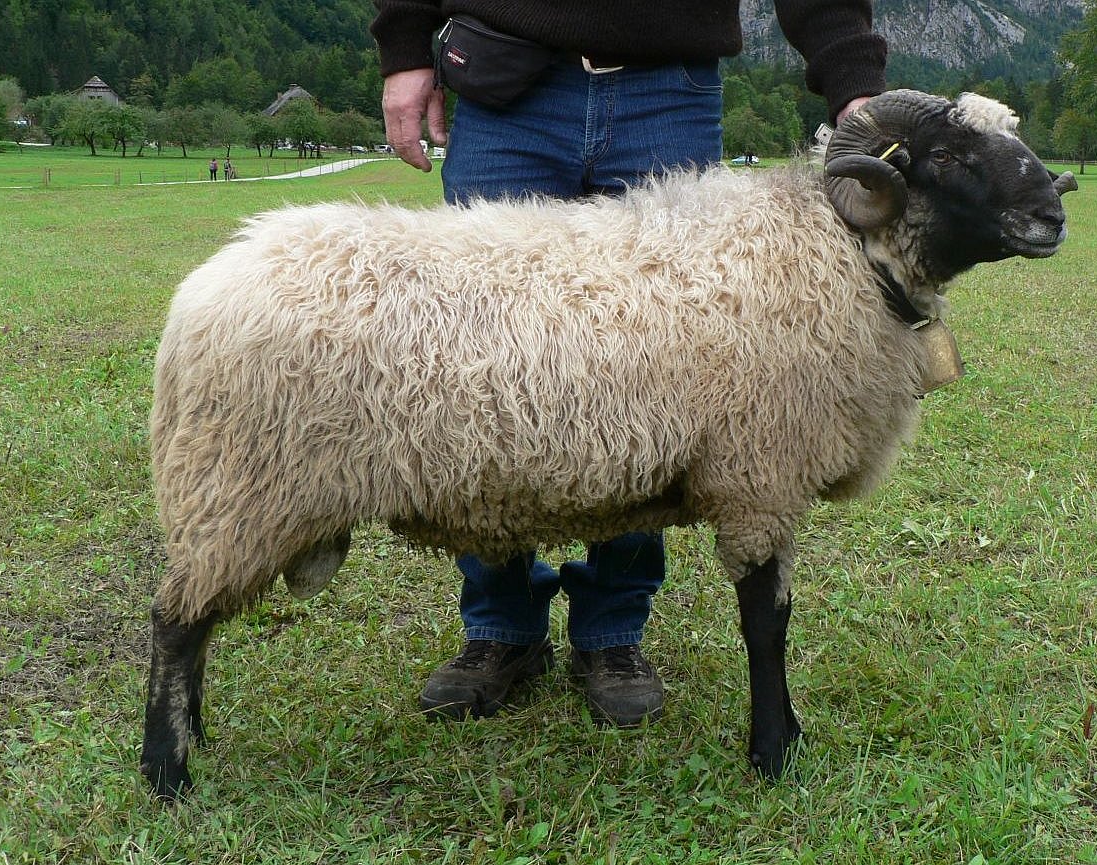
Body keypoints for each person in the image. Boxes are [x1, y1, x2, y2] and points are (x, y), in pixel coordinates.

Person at [371, 1, 885, 728]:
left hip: (665, 90)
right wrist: (403, 48)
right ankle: (501, 627)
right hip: (506, 73)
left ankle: (612, 631)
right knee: (485, 367)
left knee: (659, 369)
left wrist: (855, 80)